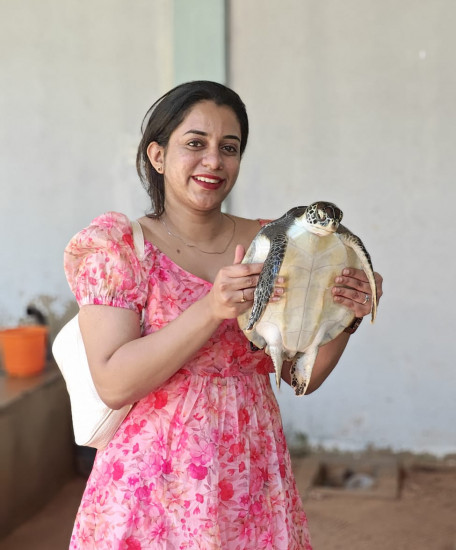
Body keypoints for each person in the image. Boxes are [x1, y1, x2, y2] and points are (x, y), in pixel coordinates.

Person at [64, 80, 383, 549]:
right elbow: (114, 383)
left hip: (251, 474)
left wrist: (347, 317)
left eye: (228, 148)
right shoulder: (120, 250)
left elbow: (299, 376)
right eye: (195, 143)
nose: (213, 161)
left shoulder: (272, 243)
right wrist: (211, 309)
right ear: (157, 155)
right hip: (151, 488)